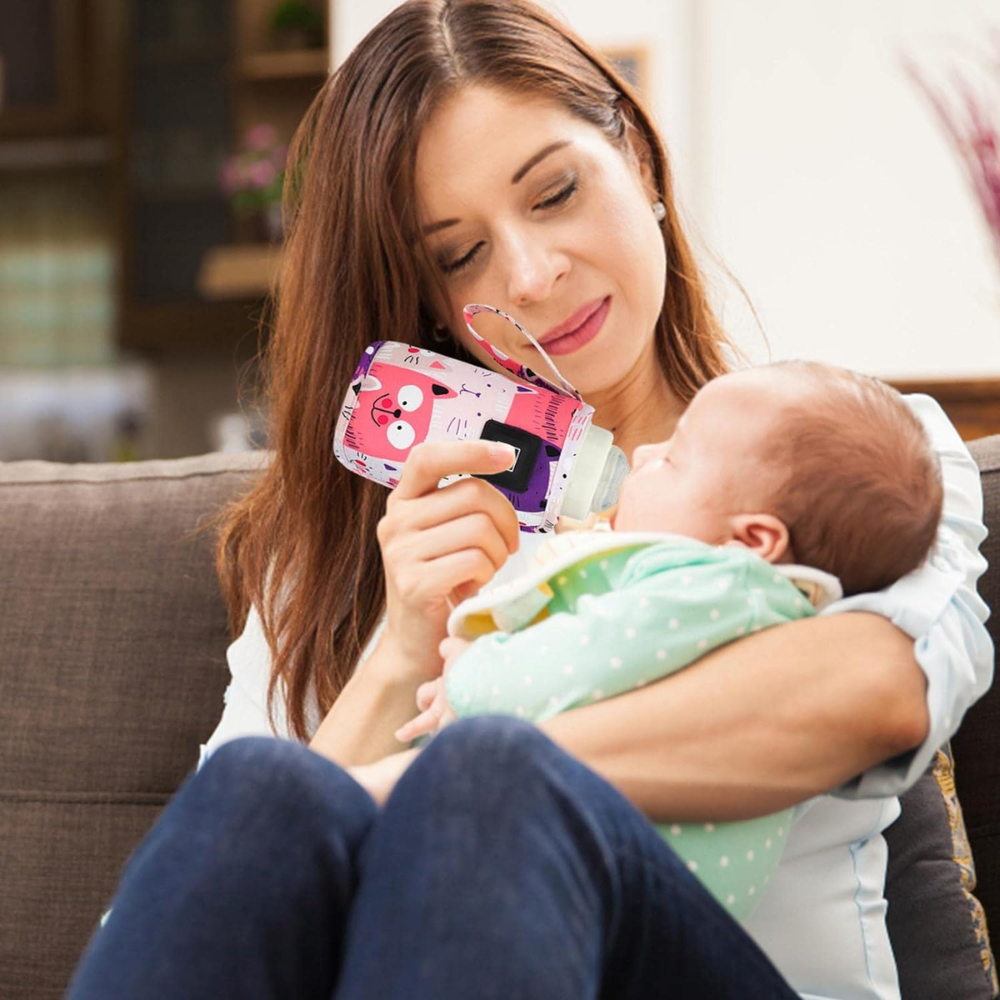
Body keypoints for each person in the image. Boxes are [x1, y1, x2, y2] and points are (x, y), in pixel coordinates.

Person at [65, 2, 991, 999]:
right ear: (422, 301)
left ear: (634, 157)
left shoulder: (853, 456)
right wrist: (401, 654)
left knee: (490, 776)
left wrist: (419, 777)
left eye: (553, 193)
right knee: (260, 791)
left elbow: (874, 690)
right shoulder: (351, 556)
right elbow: (182, 911)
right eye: (457, 255)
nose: (532, 275)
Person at [393, 361, 944, 923]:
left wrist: (469, 669)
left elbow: (568, 667)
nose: (641, 455)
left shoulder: (717, 589)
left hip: (596, 911)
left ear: (752, 540)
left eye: (673, 458)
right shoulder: (764, 611)